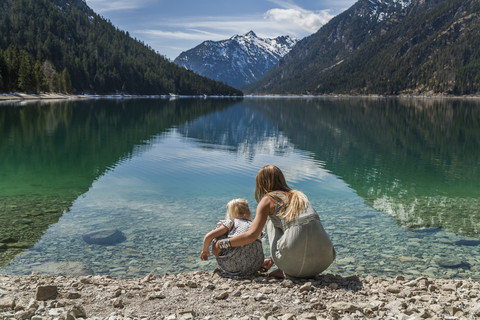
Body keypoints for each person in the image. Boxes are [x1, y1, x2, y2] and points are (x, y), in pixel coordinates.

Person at [213, 165, 336, 279]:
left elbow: (251, 235)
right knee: (299, 224)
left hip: (294, 268)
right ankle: (282, 261)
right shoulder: (299, 197)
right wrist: (272, 260)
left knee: (271, 222)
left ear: (262, 184)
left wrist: (221, 244)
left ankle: (285, 269)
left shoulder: (268, 200)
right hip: (324, 261)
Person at [201, 198, 264, 277]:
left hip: (233, 266)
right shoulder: (254, 225)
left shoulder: (231, 222)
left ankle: (226, 269)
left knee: (218, 236)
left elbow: (209, 236)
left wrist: (205, 250)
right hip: (254, 266)